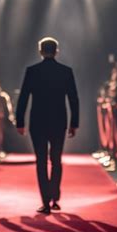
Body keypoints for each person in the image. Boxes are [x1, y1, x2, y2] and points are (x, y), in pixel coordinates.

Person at [16, 37, 79, 215]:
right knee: (56, 159)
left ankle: (45, 201)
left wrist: (20, 121)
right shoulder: (66, 71)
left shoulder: (32, 71)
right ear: (56, 50)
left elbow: (23, 97)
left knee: (41, 161)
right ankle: (55, 197)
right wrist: (74, 123)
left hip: (38, 121)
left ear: (40, 51)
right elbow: (73, 98)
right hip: (59, 120)